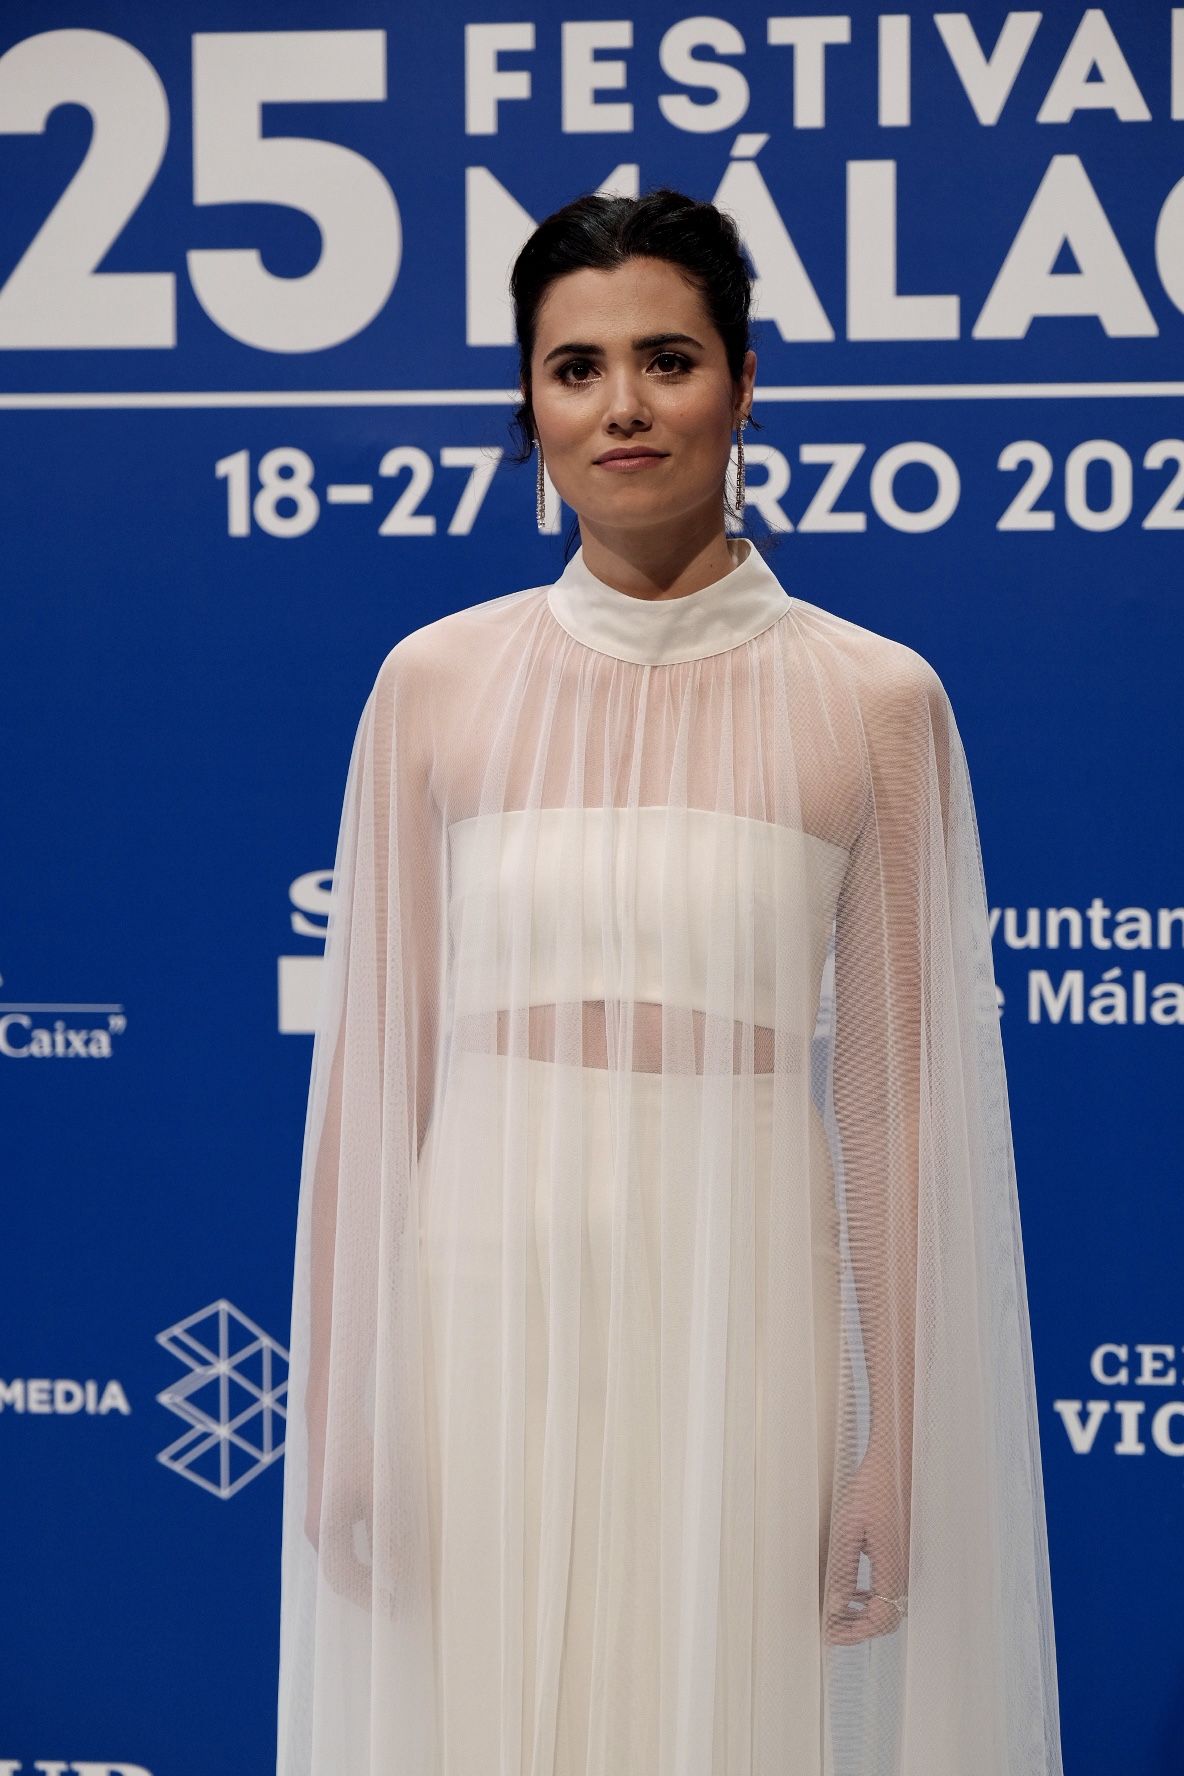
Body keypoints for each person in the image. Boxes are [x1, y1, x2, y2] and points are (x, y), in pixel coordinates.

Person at [276, 187, 1064, 1775]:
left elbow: (897, 1101)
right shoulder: (430, 686)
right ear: (530, 407)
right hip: (477, 1301)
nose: (621, 405)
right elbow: (380, 1068)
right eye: (574, 369)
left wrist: (885, 1445)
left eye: (666, 357)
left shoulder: (874, 700)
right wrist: (351, 1401)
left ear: (744, 380)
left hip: (750, 1292)